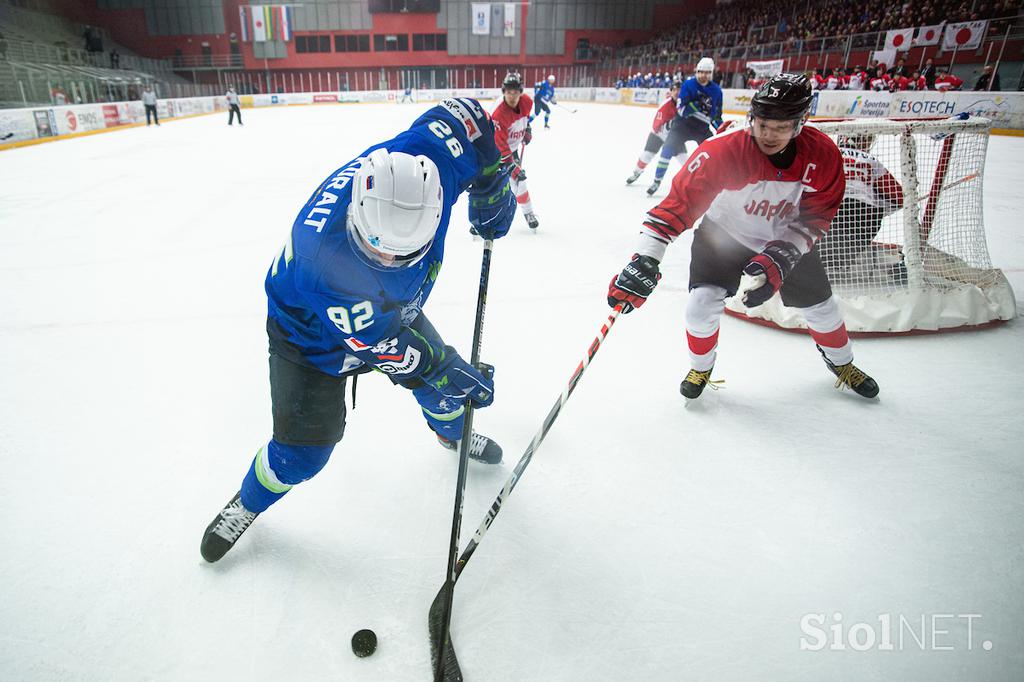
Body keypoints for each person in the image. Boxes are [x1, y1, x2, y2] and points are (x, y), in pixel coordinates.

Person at [199, 98, 517, 563]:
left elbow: (466, 117)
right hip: (307, 339)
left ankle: (451, 433)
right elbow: (393, 350)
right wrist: (445, 368)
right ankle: (247, 502)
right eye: (378, 248)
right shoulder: (321, 263)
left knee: (447, 396)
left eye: (404, 254)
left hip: (387, 312)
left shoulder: (428, 162)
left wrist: (491, 175)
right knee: (303, 455)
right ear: (355, 215)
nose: (390, 260)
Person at [607, 73, 879, 401]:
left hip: (784, 237)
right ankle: (701, 367)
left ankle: (842, 363)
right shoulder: (723, 151)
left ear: (801, 123)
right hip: (723, 235)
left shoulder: (823, 155)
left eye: (781, 128)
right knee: (700, 306)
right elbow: (677, 206)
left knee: (823, 307)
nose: (769, 135)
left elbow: (818, 214)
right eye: (762, 124)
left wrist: (786, 251)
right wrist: (645, 259)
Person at [818, 133, 905, 285]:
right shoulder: (870, 160)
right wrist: (877, 206)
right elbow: (899, 197)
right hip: (866, 217)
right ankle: (899, 269)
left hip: (832, 212)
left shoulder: (824, 154)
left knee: (822, 257)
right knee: (841, 256)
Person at [646, 57, 723, 196]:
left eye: (707, 72)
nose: (703, 75)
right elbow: (681, 110)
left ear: (711, 73)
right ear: (696, 71)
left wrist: (722, 130)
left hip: (702, 128)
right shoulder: (688, 85)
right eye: (700, 72)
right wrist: (698, 105)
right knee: (667, 150)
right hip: (682, 125)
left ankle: (712, 184)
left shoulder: (717, 91)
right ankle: (657, 181)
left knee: (714, 154)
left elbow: (716, 117)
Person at [491, 72, 539, 230]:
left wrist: (527, 130)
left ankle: (528, 212)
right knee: (496, 185)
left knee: (519, 181)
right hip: (496, 153)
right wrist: (511, 166)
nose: (512, 96)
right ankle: (486, 219)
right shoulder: (498, 114)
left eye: (515, 92)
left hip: (511, 149)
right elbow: (500, 144)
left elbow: (525, 118)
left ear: (521, 92)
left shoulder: (527, 102)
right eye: (508, 92)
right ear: (503, 92)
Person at [626, 80, 680, 185]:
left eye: (679, 90)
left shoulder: (684, 104)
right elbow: (656, 125)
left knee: (684, 158)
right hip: (658, 134)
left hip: (674, 137)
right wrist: (667, 128)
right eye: (675, 90)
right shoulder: (665, 105)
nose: (677, 92)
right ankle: (637, 172)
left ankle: (693, 179)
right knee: (647, 155)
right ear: (671, 91)